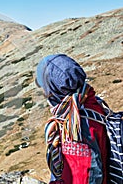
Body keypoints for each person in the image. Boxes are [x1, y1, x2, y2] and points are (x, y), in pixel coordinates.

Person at [35, 54, 109, 184]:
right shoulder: (90, 103)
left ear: (55, 89)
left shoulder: (74, 125)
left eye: (45, 87)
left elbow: (85, 176)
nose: (43, 92)